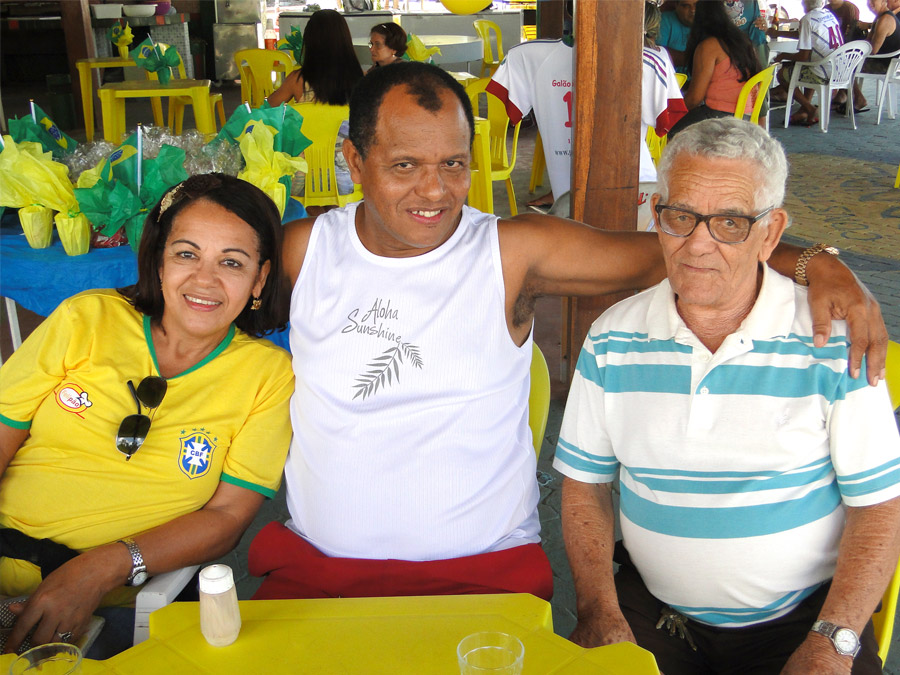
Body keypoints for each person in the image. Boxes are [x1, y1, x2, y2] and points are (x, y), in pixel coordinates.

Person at [246, 62, 888, 603]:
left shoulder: (511, 252)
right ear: (355, 160)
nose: (434, 191)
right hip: (317, 570)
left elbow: (684, 248)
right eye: (405, 164)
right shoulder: (305, 251)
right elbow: (211, 309)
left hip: (482, 571)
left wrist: (817, 262)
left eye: (454, 163)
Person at [554, 118, 900, 675]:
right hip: (657, 614)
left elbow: (880, 507)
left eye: (731, 223)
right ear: (657, 216)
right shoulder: (613, 337)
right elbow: (583, 486)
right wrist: (598, 608)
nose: (698, 244)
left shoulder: (836, 343)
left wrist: (832, 641)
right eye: (681, 216)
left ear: (771, 232)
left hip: (801, 621)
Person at [0, 174, 294, 657]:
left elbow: (227, 516)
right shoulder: (86, 318)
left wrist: (101, 568)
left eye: (232, 262)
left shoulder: (268, 375)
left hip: (116, 602)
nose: (205, 280)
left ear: (259, 279)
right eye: (186, 254)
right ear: (158, 259)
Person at [487, 5, 687, 222]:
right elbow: (666, 124)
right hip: (625, 195)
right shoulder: (653, 59)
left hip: (626, 193)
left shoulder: (529, 56)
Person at [266, 9, 364, 203]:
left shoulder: (297, 80)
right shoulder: (359, 79)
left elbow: (268, 109)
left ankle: (314, 215)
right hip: (349, 177)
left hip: (302, 180)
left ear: (310, 42)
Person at [668, 0, 762, 138]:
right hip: (745, 114)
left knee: (667, 129)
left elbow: (694, 99)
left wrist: (669, 114)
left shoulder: (709, 46)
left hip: (721, 117)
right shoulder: (740, 39)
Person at [267, 9, 364, 107]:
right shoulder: (362, 79)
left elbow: (267, 108)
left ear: (309, 40)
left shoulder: (297, 80)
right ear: (346, 40)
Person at [771, 0, 845, 126]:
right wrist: (777, 33)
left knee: (782, 74)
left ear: (805, 3)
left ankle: (810, 109)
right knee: (807, 66)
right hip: (841, 69)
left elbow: (803, 57)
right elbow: (804, 35)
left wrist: (783, 56)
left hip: (824, 72)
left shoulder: (807, 19)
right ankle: (804, 110)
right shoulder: (828, 14)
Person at [660, 0, 699, 72]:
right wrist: (697, 58)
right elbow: (659, 53)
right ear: (676, 5)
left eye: (696, 5)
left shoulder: (709, 22)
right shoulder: (664, 20)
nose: (693, 10)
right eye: (686, 6)